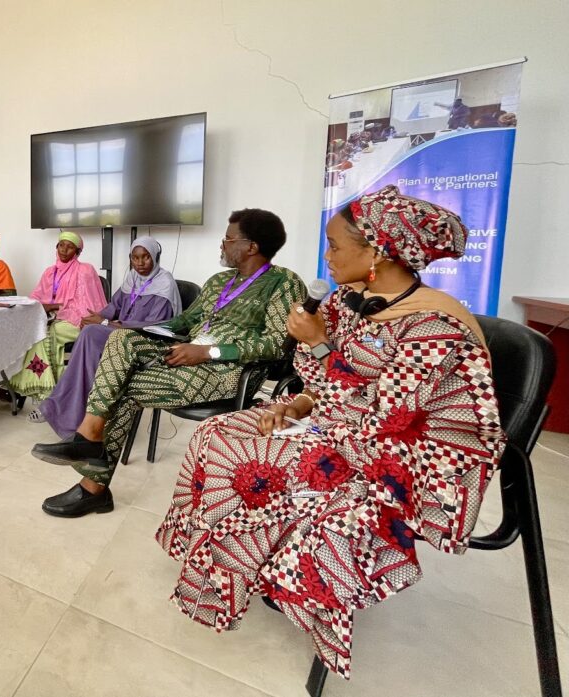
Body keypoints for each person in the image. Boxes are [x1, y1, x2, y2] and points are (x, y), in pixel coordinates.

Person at [156, 185, 504, 680]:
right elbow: (321, 385)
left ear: (377, 252)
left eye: (336, 245)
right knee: (221, 433)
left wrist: (319, 347)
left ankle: (289, 578)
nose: (327, 255)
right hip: (338, 419)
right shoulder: (347, 300)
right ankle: (240, 563)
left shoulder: (434, 324)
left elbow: (391, 415)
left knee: (273, 468)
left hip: (405, 455)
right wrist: (295, 404)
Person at [31, 209, 306, 517]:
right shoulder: (218, 282)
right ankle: (89, 439)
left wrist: (208, 352)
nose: (222, 244)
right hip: (186, 353)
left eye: (228, 238)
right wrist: (142, 328)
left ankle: (92, 482)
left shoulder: (283, 283)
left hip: (226, 370)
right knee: (119, 340)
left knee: (122, 387)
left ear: (251, 246)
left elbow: (275, 344)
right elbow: (183, 322)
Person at [29, 237, 182, 434]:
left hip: (144, 340)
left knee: (92, 333)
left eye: (146, 257)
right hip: (120, 333)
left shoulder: (164, 283)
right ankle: (75, 414)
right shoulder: (132, 278)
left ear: (155, 257)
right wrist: (97, 316)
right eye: (135, 258)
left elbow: (153, 325)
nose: (140, 263)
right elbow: (115, 306)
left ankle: (61, 409)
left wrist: (104, 323)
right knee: (88, 331)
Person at [8, 231, 107, 399]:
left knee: (45, 335)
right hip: (53, 318)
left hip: (79, 322)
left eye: (70, 247)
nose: (64, 250)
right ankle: (51, 389)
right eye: (61, 245)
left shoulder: (84, 270)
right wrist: (42, 307)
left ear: (77, 252)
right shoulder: (49, 272)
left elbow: (87, 305)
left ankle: (50, 392)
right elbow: (36, 297)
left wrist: (57, 309)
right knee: (30, 331)